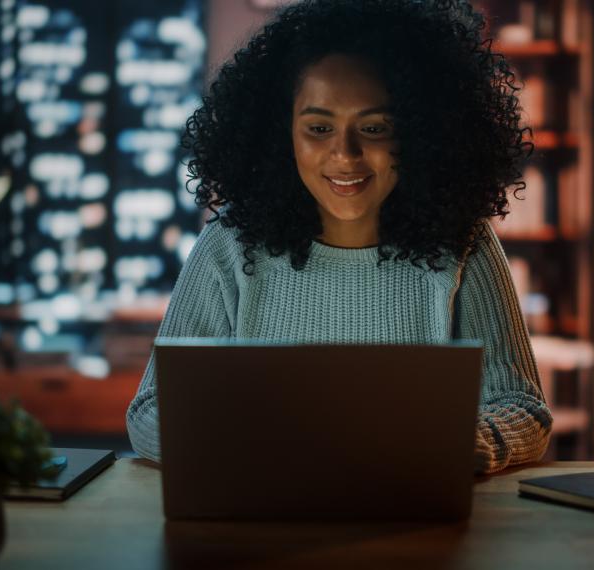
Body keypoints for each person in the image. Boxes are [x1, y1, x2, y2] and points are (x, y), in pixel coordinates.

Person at [126, 0, 552, 474]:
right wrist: (252, 447)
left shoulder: (463, 240)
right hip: (261, 519)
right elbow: (149, 411)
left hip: (414, 525)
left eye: (373, 128)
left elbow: (523, 406)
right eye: (319, 128)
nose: (345, 155)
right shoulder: (229, 242)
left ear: (418, 131)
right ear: (281, 133)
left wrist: (466, 442)